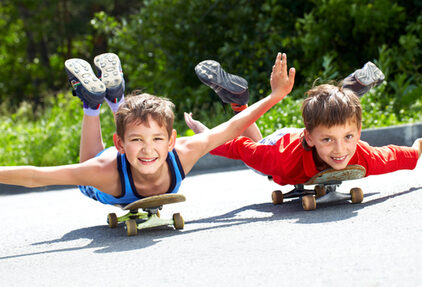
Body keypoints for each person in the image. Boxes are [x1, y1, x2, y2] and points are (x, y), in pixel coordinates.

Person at [0, 52, 295, 205]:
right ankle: (96, 106)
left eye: (157, 139)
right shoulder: (104, 170)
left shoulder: (184, 151)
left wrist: (275, 96)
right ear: (119, 144)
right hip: (110, 170)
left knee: (131, 123)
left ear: (171, 141)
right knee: (84, 176)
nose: (148, 149)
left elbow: (233, 127)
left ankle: (108, 100)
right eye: (137, 141)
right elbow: (37, 177)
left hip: (127, 151)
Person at [185, 59, 421, 186]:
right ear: (310, 137)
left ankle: (344, 95)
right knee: (258, 160)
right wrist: (206, 139)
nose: (341, 150)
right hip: (281, 145)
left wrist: (416, 150)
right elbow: (241, 148)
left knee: (334, 119)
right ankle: (238, 104)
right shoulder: (283, 161)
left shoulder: (358, 152)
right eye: (330, 141)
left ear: (359, 132)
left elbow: (391, 156)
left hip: (316, 129)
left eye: (349, 137)